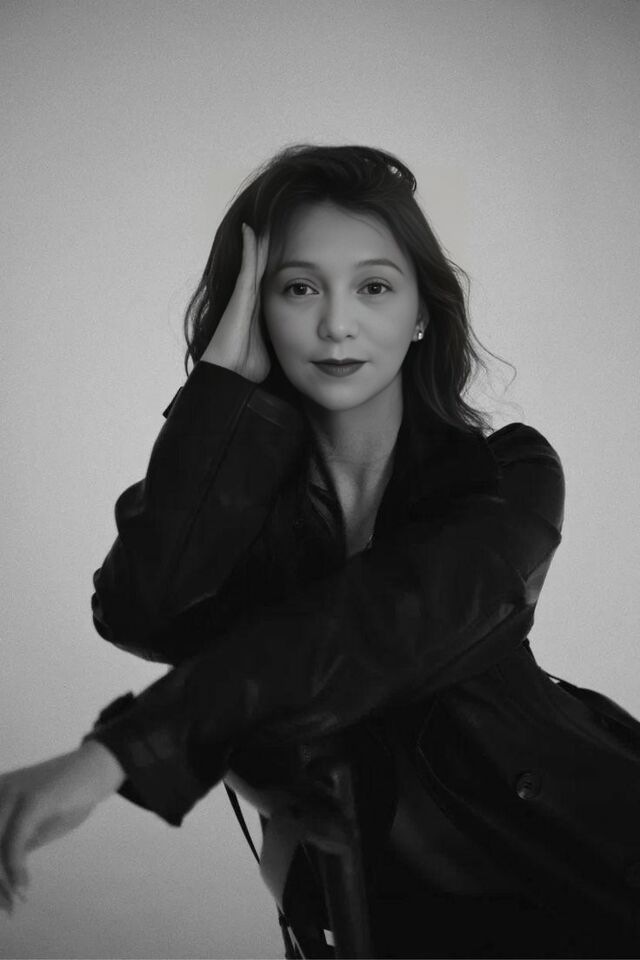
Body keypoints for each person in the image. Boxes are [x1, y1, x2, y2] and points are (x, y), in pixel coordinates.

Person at [1, 144, 640, 958]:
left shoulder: (506, 478)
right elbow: (143, 613)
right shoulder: (236, 512)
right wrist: (219, 387)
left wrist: (117, 757)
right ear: (257, 311)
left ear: (421, 314)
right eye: (298, 288)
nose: (337, 324)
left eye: (374, 287)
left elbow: (375, 627)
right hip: (370, 926)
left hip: (587, 880)